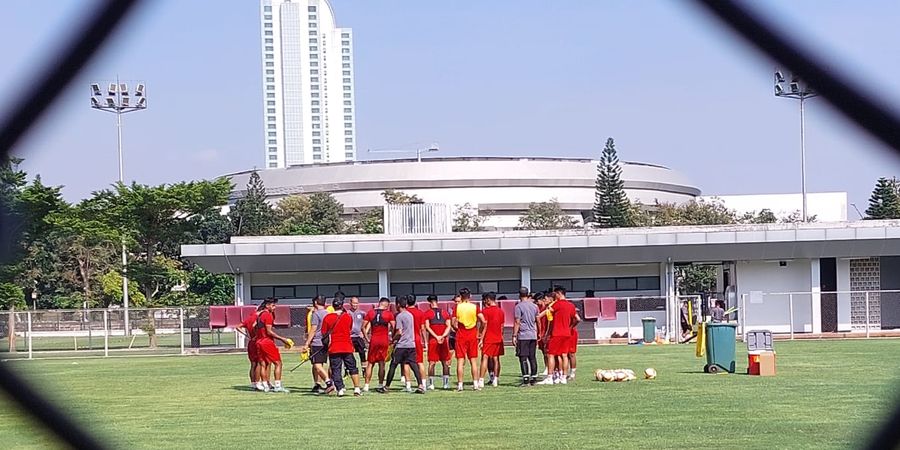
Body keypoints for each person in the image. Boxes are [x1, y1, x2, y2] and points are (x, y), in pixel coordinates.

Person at [377, 296, 426, 394]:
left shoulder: (399, 316)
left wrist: (393, 339)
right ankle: (420, 385)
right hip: (411, 344)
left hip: (401, 345)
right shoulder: (410, 315)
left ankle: (386, 386)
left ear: (398, 305)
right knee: (413, 364)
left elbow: (399, 331)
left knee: (393, 365)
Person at [321, 295, 362, 397]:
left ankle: (340, 389)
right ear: (342, 305)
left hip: (334, 347)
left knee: (336, 369)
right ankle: (356, 388)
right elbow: (350, 328)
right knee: (352, 368)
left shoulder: (327, 317)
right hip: (347, 346)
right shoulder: (347, 316)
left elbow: (324, 333)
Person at [538, 286, 579, 385]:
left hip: (556, 333)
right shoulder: (571, 305)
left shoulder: (557, 304)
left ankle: (550, 377)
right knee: (564, 355)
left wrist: (538, 316)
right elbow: (577, 319)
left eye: (555, 294)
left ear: (559, 293)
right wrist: (570, 327)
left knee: (551, 354)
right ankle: (563, 377)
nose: (554, 296)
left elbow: (546, 313)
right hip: (566, 334)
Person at [254, 298, 294, 393]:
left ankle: (265, 386)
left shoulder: (260, 315)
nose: (274, 307)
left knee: (263, 364)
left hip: (259, 341)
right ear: (267, 305)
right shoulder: (267, 315)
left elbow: (254, 326)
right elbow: (269, 331)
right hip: (267, 342)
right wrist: (283, 339)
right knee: (278, 363)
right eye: (273, 305)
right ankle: (277, 386)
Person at [300, 295, 331, 394]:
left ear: (316, 303)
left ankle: (328, 382)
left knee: (317, 365)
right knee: (320, 364)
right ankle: (317, 384)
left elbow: (313, 330)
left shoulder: (315, 314)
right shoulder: (328, 313)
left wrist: (307, 343)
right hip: (325, 342)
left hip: (317, 342)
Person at [452, 287, 482, 391]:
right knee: (473, 360)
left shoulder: (457, 307)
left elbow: (453, 321)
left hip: (461, 334)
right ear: (470, 296)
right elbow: (483, 320)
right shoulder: (474, 307)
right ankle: (475, 384)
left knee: (460, 361)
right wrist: (479, 330)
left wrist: (457, 328)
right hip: (472, 334)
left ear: (461, 296)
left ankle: (460, 385)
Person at [362, 297, 394, 392]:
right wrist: (390, 334)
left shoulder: (371, 313)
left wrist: (367, 338)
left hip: (374, 339)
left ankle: (366, 385)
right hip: (384, 340)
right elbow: (394, 326)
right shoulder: (388, 314)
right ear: (386, 305)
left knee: (370, 364)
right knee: (382, 363)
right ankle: (380, 384)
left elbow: (363, 327)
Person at [235, 303, 266, 391]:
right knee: (259, 363)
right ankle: (258, 382)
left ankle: (253, 383)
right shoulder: (258, 318)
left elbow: (238, 327)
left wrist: (246, 335)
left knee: (253, 364)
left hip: (251, 341)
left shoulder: (249, 318)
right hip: (258, 341)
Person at [424, 295, 452, 390]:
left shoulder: (428, 313)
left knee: (432, 362)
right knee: (445, 362)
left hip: (433, 340)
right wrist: (443, 335)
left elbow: (427, 327)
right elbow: (449, 326)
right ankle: (446, 384)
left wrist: (436, 336)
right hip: (443, 340)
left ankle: (431, 384)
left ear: (429, 303)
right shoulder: (444, 312)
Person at [513, 288, 539, 386]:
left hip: (523, 335)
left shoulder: (518, 307)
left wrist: (514, 335)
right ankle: (534, 378)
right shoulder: (534, 306)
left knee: (523, 357)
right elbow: (538, 320)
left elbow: (517, 322)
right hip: (533, 334)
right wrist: (539, 332)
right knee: (532, 357)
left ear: (519, 295)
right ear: (528, 294)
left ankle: (526, 379)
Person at [479, 292, 505, 387]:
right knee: (496, 359)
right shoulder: (501, 311)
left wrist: (480, 335)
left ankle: (481, 379)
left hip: (488, 337)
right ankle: (496, 379)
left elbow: (483, 325)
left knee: (484, 358)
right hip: (498, 338)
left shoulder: (485, 311)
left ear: (488, 300)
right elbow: (502, 326)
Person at [404, 295, 428, 393]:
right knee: (420, 362)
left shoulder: (404, 313)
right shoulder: (420, 313)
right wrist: (425, 341)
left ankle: (408, 385)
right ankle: (423, 384)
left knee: (406, 362)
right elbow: (423, 328)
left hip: (406, 339)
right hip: (417, 339)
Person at [348, 296, 368, 375]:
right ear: (350, 303)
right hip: (350, 337)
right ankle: (349, 370)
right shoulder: (347, 313)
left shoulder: (362, 313)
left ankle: (364, 370)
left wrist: (364, 331)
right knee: (349, 354)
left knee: (362, 353)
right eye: (353, 303)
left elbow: (368, 321)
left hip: (358, 337)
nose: (355, 305)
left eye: (356, 303)